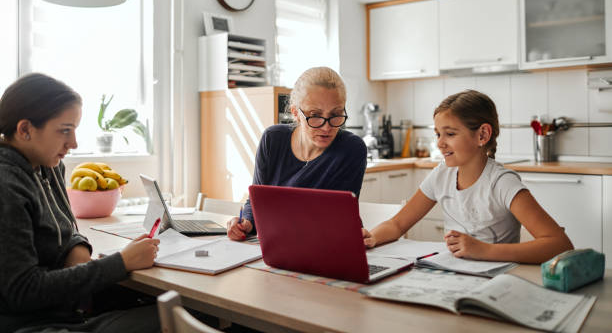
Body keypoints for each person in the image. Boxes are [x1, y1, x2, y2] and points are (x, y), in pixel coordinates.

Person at [0, 73, 161, 333]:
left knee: (181, 309)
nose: (73, 144)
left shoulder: (48, 165)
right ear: (25, 130)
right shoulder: (7, 186)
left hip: (66, 309)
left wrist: (77, 245)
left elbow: (63, 226)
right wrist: (120, 262)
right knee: (185, 318)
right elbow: (23, 291)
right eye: (65, 131)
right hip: (35, 325)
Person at [362, 90, 573, 264]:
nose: (440, 143)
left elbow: (559, 245)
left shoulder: (502, 182)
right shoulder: (441, 174)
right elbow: (398, 224)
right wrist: (372, 237)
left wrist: (484, 251)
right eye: (438, 134)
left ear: (482, 135)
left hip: (497, 279)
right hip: (455, 274)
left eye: (450, 134)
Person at [226, 67, 367, 240]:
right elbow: (257, 202)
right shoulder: (273, 140)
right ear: (296, 113)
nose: (327, 127)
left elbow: (332, 219)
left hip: (329, 245)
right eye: (315, 115)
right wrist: (246, 221)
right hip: (280, 245)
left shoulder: (351, 149)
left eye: (336, 114)